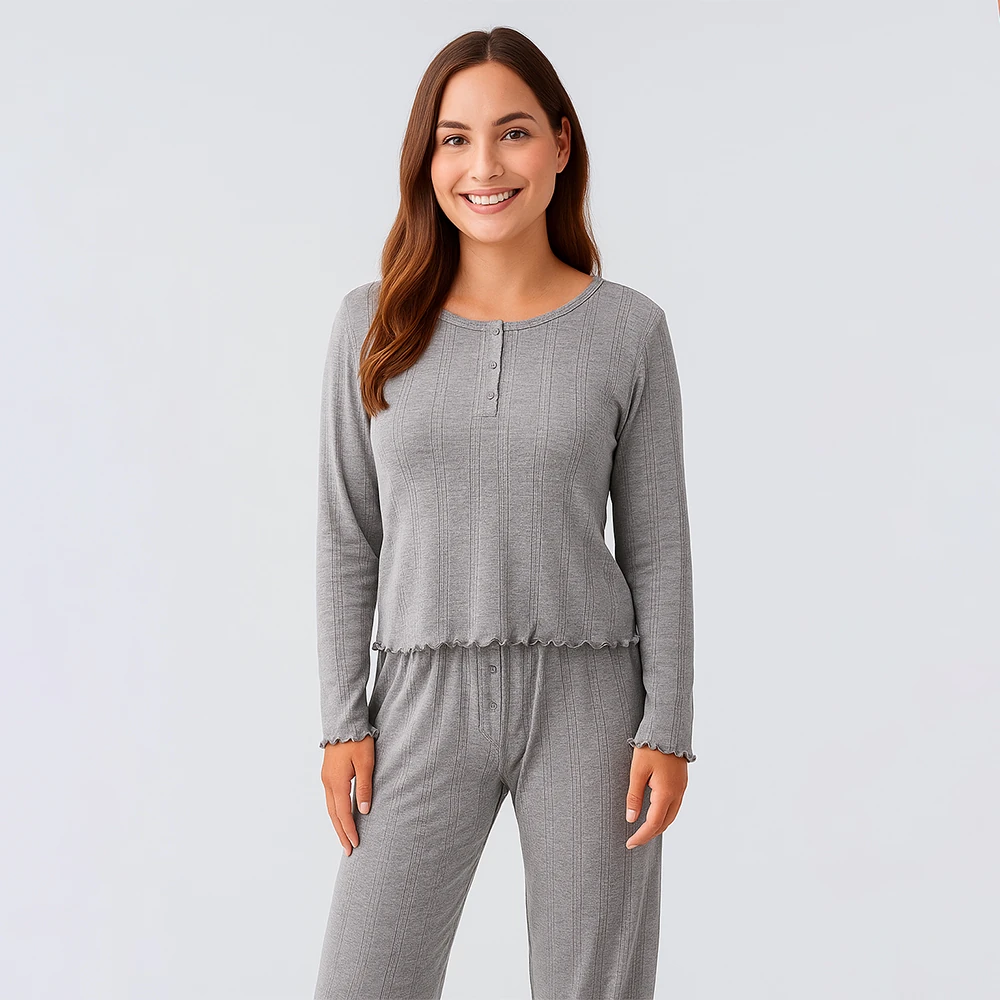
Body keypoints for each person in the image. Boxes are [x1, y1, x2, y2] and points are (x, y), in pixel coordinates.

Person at [313, 26, 696, 1000]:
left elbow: (656, 546)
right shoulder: (370, 324)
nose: (483, 166)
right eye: (455, 139)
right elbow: (348, 533)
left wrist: (667, 723)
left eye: (513, 132)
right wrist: (341, 719)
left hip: (592, 701)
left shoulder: (629, 331)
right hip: (418, 696)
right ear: (427, 158)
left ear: (561, 144)